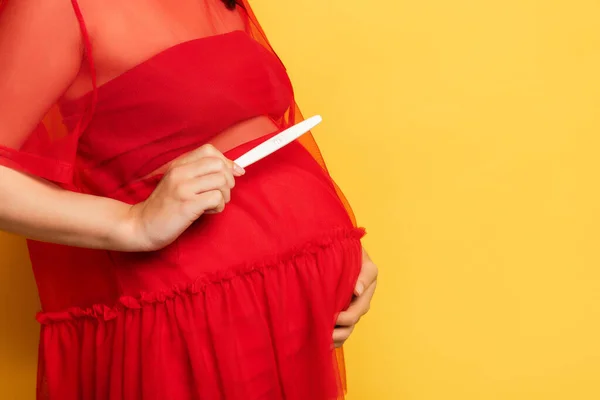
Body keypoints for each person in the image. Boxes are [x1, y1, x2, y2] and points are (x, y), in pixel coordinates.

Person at [0, 0, 378, 399]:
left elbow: (256, 131)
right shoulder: (55, 7)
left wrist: (346, 251)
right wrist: (130, 223)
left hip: (294, 312)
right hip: (198, 328)